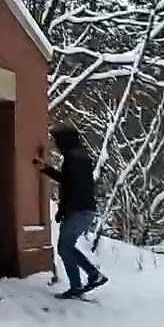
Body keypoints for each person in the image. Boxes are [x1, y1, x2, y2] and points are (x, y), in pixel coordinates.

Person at [34, 124, 108, 299]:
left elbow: (70, 187)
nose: (56, 144)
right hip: (85, 209)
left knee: (65, 248)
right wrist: (46, 169)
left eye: (57, 140)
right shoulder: (80, 157)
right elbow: (68, 181)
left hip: (78, 210)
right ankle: (88, 278)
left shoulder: (73, 159)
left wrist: (62, 209)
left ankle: (86, 279)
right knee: (67, 247)